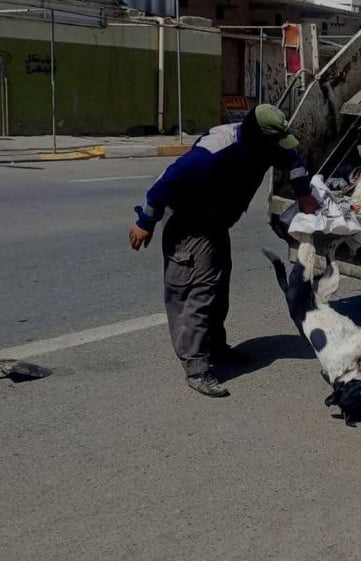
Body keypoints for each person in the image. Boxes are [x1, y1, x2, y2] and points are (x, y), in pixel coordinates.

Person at [129, 104, 318, 398]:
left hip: (215, 222)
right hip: (190, 224)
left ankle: (215, 348)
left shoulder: (267, 146)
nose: (280, 148)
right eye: (276, 142)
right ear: (259, 137)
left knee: (218, 288)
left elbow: (293, 161)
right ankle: (196, 368)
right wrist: (145, 222)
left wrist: (303, 193)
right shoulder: (213, 152)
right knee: (198, 292)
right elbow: (164, 182)